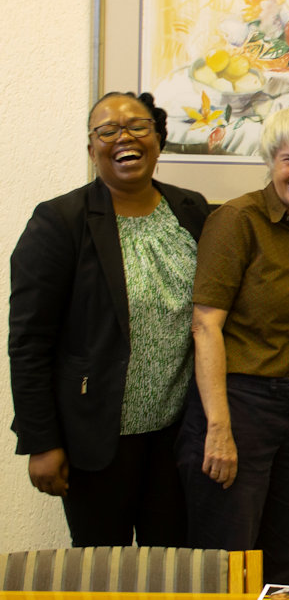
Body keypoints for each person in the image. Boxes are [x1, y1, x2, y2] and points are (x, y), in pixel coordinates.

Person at [9, 91, 208, 546]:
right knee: (101, 574)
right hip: (94, 439)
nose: (124, 137)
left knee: (171, 570)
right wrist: (41, 442)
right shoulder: (60, 222)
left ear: (158, 139)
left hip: (176, 437)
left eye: (138, 126)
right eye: (108, 130)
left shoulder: (191, 211)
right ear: (91, 147)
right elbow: (29, 341)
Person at [177, 106, 289, 584]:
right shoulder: (237, 220)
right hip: (240, 404)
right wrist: (218, 428)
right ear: (271, 160)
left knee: (284, 559)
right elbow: (205, 325)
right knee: (227, 562)